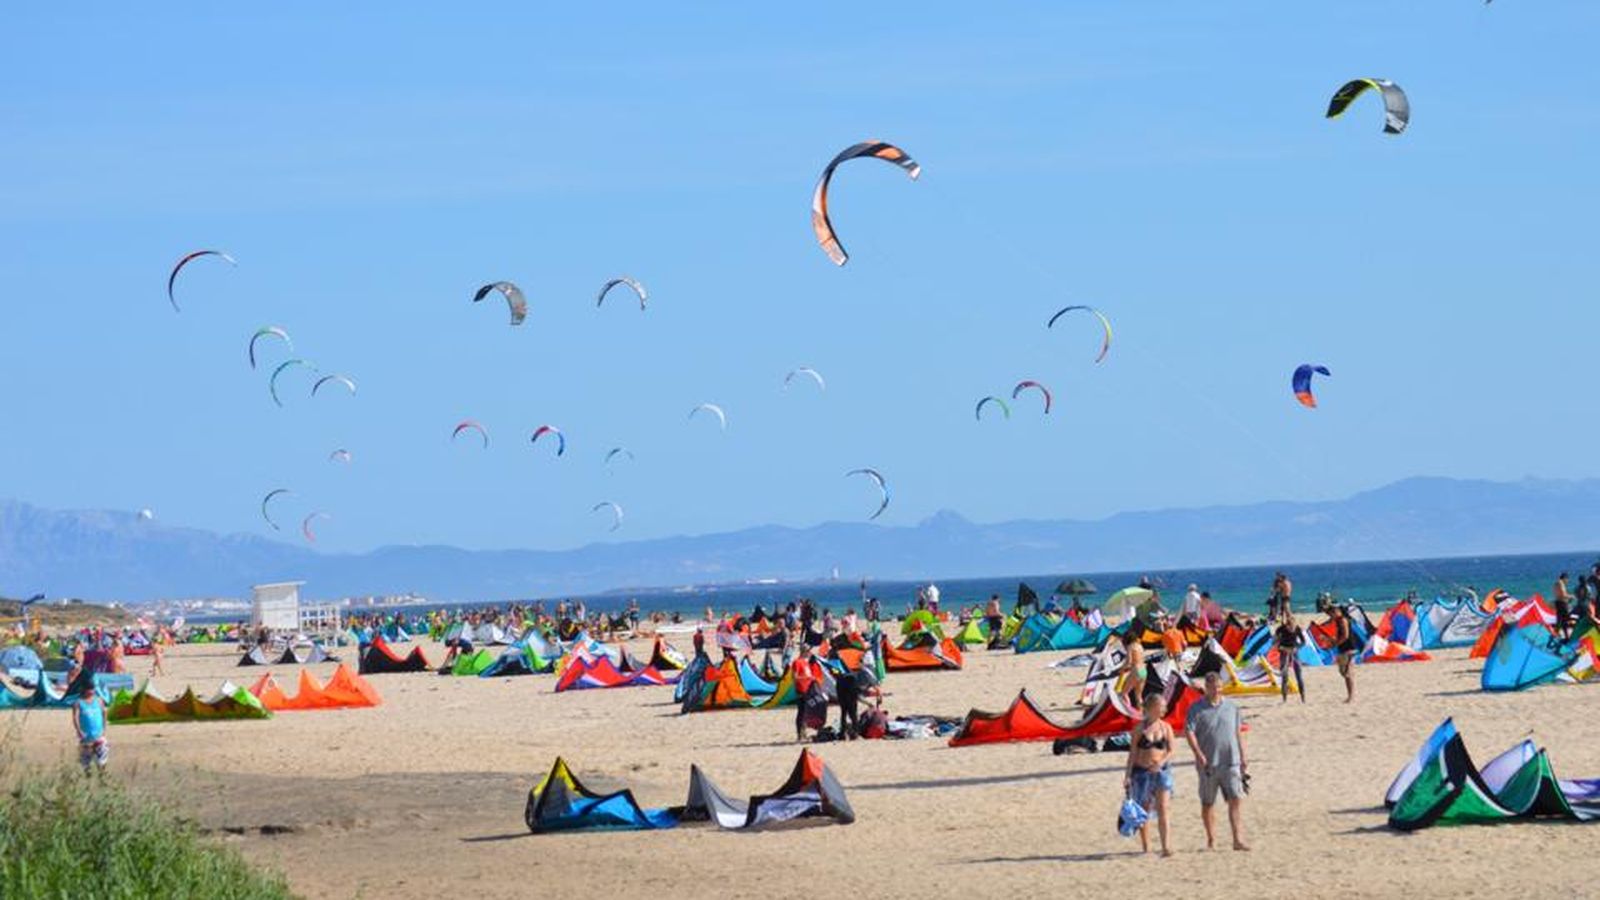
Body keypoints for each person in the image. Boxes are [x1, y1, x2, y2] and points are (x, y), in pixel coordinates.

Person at [1184, 672, 1249, 851]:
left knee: (1235, 799)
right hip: (1208, 764)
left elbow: (1239, 732)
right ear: (1206, 688)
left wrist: (1243, 755)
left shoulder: (1232, 707)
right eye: (1213, 687)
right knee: (1208, 803)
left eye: (1219, 687)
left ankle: (1237, 839)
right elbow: (1189, 732)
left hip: (1231, 761)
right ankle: (1211, 840)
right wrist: (1198, 753)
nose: (1216, 690)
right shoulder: (1196, 708)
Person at [1123, 692, 1175, 857]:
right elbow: (1132, 753)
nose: (1164, 709)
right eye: (1161, 706)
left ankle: (1166, 846)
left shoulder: (1166, 727)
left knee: (1163, 808)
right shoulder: (1139, 729)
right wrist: (1127, 775)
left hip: (1161, 771)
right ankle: (1147, 847)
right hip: (1142, 772)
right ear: (1152, 707)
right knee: (1143, 809)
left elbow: (1171, 750)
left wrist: (1160, 762)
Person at [790, 644, 826, 742]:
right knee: (801, 712)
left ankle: (804, 733)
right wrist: (808, 678)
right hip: (801, 690)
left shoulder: (806, 663)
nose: (810, 653)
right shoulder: (796, 662)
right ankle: (799, 734)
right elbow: (795, 677)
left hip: (808, 690)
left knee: (806, 712)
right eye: (808, 651)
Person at [72, 682, 109, 776]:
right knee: (85, 762)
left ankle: (102, 778)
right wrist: (79, 731)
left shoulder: (99, 701)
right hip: (86, 737)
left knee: (102, 760)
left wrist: (104, 729)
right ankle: (88, 778)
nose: (91, 691)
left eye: (92, 689)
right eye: (89, 689)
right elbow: (75, 717)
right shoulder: (78, 702)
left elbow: (104, 713)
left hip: (98, 735)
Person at [1273, 613, 1305, 703]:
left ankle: (1303, 698)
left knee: (1299, 675)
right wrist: (1280, 648)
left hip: (1294, 652)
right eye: (1290, 627)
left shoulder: (1297, 629)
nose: (1291, 629)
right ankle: (1284, 699)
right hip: (1284, 651)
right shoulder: (1281, 630)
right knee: (1285, 676)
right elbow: (1274, 642)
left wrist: (1297, 647)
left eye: (1293, 627)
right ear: (1287, 625)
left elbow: (1303, 642)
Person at [1330, 605, 1357, 703]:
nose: (1332, 615)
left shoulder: (1342, 620)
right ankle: (1350, 696)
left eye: (1333, 613)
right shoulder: (1339, 620)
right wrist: (1332, 641)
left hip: (1348, 649)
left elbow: (1345, 636)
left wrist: (1335, 644)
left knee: (1347, 673)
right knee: (1344, 673)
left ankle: (1351, 696)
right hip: (1344, 649)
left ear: (1339, 612)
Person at [1120, 631, 1146, 706]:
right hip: (1143, 671)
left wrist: (1122, 668)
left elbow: (1129, 661)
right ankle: (1142, 713)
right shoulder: (1140, 646)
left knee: (1124, 693)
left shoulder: (1130, 647)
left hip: (1136, 670)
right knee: (1139, 696)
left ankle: (1127, 713)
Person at [1554, 573, 1574, 641]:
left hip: (1558, 602)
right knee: (1565, 620)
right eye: (1567, 579)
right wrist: (1571, 596)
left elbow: (1558, 594)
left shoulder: (1556, 583)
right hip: (1562, 603)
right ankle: (1566, 637)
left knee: (1560, 620)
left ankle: (1556, 635)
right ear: (1565, 578)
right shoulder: (1561, 583)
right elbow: (1563, 594)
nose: (1567, 581)